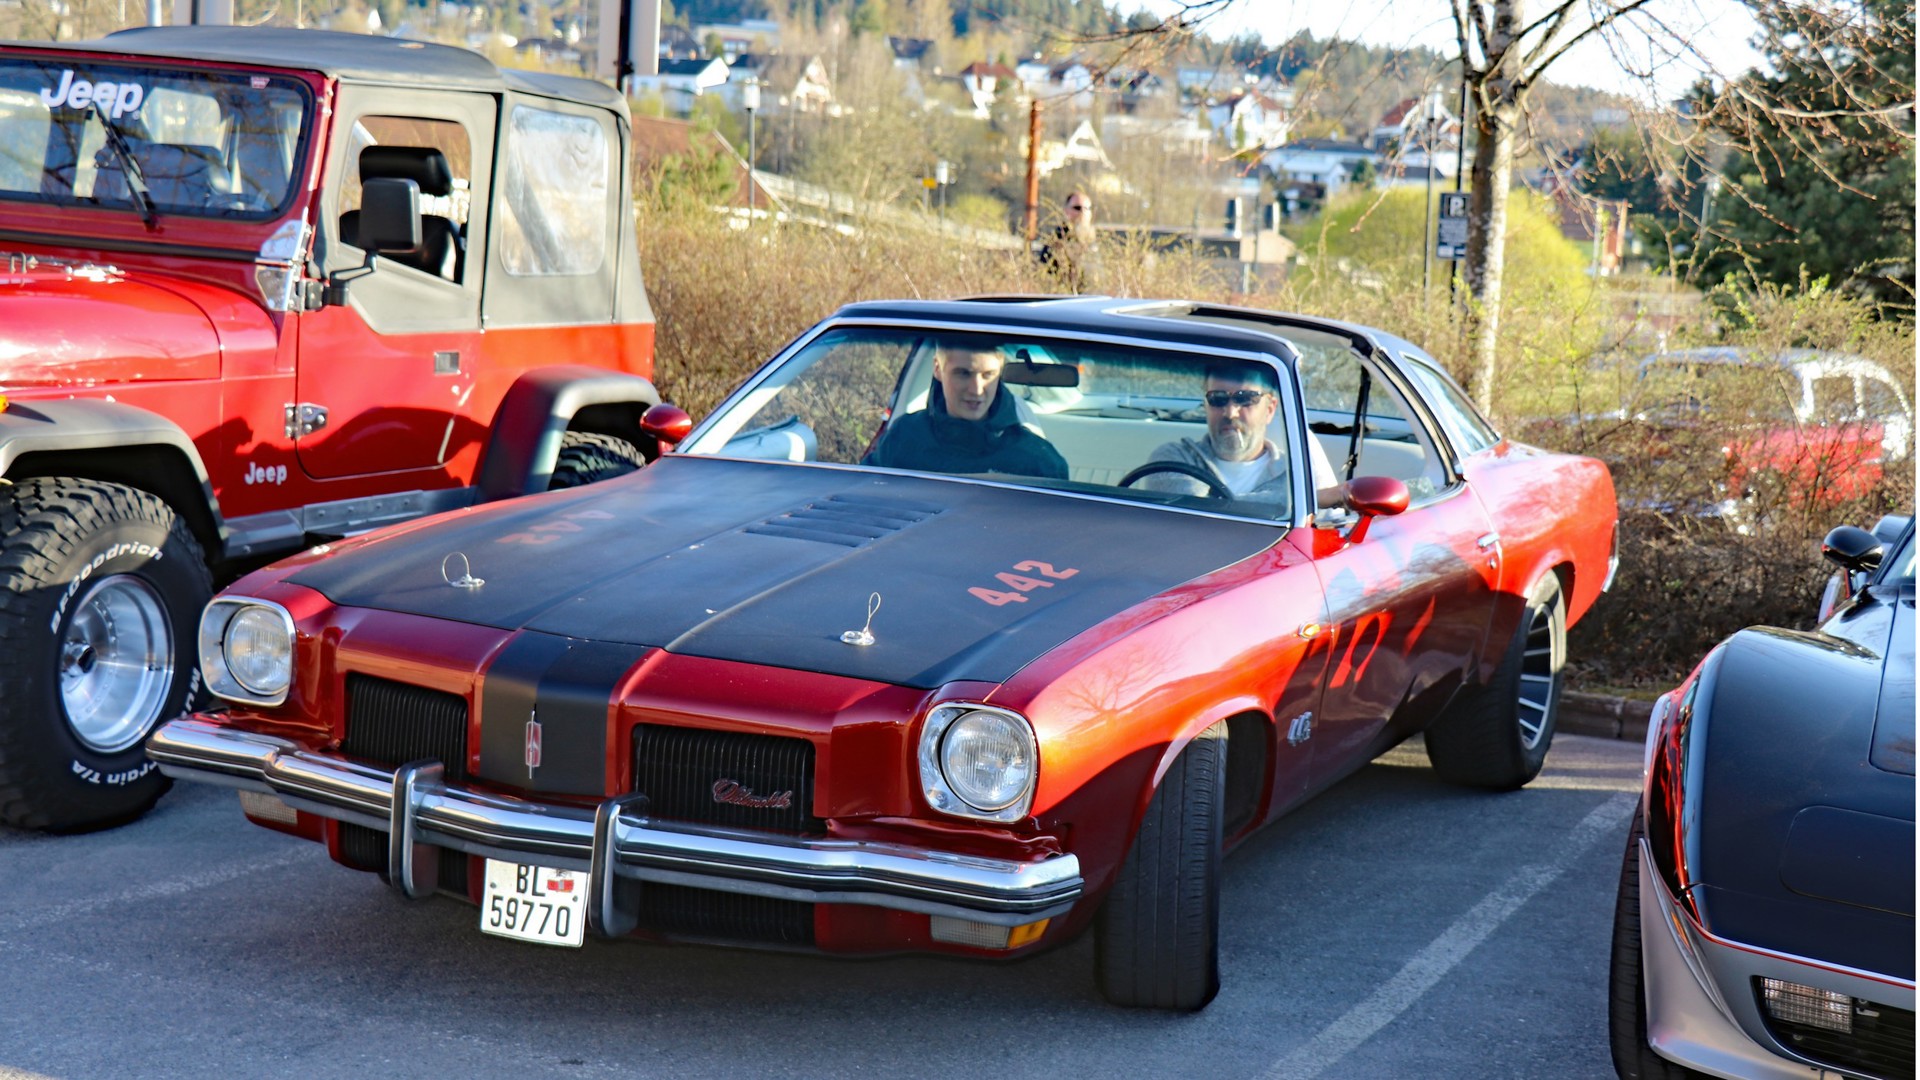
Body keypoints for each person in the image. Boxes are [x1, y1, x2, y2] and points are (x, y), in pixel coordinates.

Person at [1137, 361, 1344, 508]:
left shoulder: (1297, 475)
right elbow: (1196, 511)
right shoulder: (1173, 458)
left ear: (1270, 409)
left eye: (1245, 399)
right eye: (1218, 398)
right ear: (1206, 405)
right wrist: (1306, 500)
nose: (1230, 412)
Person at [866, 344, 1070, 479]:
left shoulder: (1038, 461)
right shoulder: (903, 438)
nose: (977, 390)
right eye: (963, 374)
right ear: (937, 368)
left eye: (988, 375)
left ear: (1000, 369)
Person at [1036, 190, 1099, 293]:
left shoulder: (1095, 241)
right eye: (1077, 208)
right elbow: (1046, 274)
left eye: (1087, 208)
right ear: (1066, 211)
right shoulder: (1057, 239)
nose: (1082, 212)